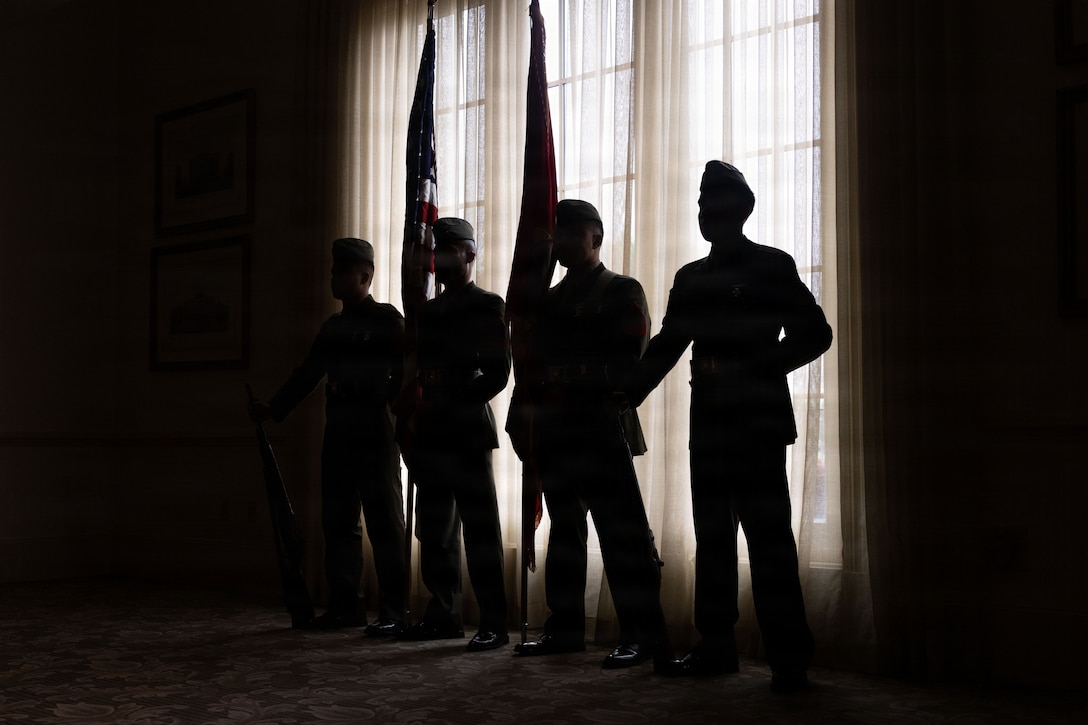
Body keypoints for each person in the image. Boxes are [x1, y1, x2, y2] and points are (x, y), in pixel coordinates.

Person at [622, 161, 833, 693]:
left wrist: (763, 366)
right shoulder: (690, 278)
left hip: (757, 419)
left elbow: (816, 333)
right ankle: (715, 647)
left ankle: (789, 659)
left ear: (743, 209)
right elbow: (667, 345)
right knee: (713, 538)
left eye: (713, 204)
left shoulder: (771, 266)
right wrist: (626, 393)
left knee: (769, 541)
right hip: (711, 419)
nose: (704, 214)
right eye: (700, 205)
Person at [512, 199, 672, 671]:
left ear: (596, 238)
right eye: (558, 234)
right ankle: (564, 628)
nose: (561, 241)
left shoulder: (621, 289)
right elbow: (533, 367)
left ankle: (637, 634)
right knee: (565, 532)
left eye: (573, 233)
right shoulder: (548, 301)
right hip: (558, 428)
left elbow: (632, 358)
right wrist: (525, 416)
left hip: (601, 424)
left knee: (621, 535)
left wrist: (591, 390)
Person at [248, 237, 406, 635]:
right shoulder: (333, 327)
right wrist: (274, 408)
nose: (334, 277)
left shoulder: (387, 320)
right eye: (334, 270)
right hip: (339, 427)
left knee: (385, 522)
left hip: (374, 426)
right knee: (338, 522)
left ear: (365, 277)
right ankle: (345, 606)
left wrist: (394, 404)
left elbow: (407, 367)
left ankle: (394, 610)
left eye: (343, 271)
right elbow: (308, 373)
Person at [399, 217, 511, 652]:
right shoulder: (427, 313)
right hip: (432, 431)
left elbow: (497, 374)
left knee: (480, 532)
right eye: (437, 251)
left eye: (449, 250)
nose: (441, 258)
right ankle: (443, 614)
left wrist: (450, 402)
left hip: (465, 429)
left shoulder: (487, 304)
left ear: (470, 254)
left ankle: (494, 623)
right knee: (436, 532)